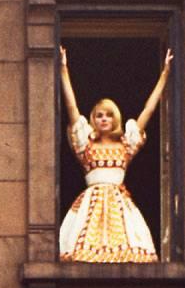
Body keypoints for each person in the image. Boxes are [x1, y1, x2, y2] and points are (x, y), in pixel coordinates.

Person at [55, 44, 168, 263]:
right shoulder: (86, 145)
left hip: (118, 205)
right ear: (93, 119)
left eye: (108, 115)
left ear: (115, 118)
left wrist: (164, 75)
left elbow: (148, 111)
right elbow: (72, 108)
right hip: (92, 203)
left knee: (126, 253)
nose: (103, 119)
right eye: (98, 116)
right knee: (82, 254)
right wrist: (63, 70)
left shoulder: (125, 144)